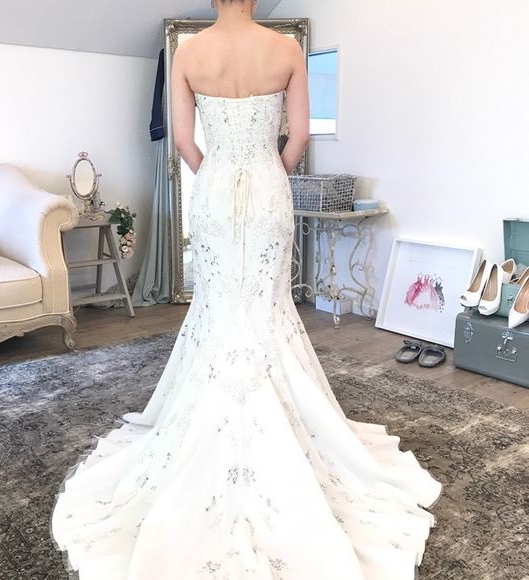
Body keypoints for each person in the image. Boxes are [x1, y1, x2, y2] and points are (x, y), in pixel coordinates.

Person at [50, 1, 443, 578]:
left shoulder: (190, 52)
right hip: (267, 188)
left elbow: (183, 142)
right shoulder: (285, 49)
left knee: (218, 307)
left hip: (214, 191)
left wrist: (217, 171)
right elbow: (299, 135)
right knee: (267, 306)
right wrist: (268, 169)